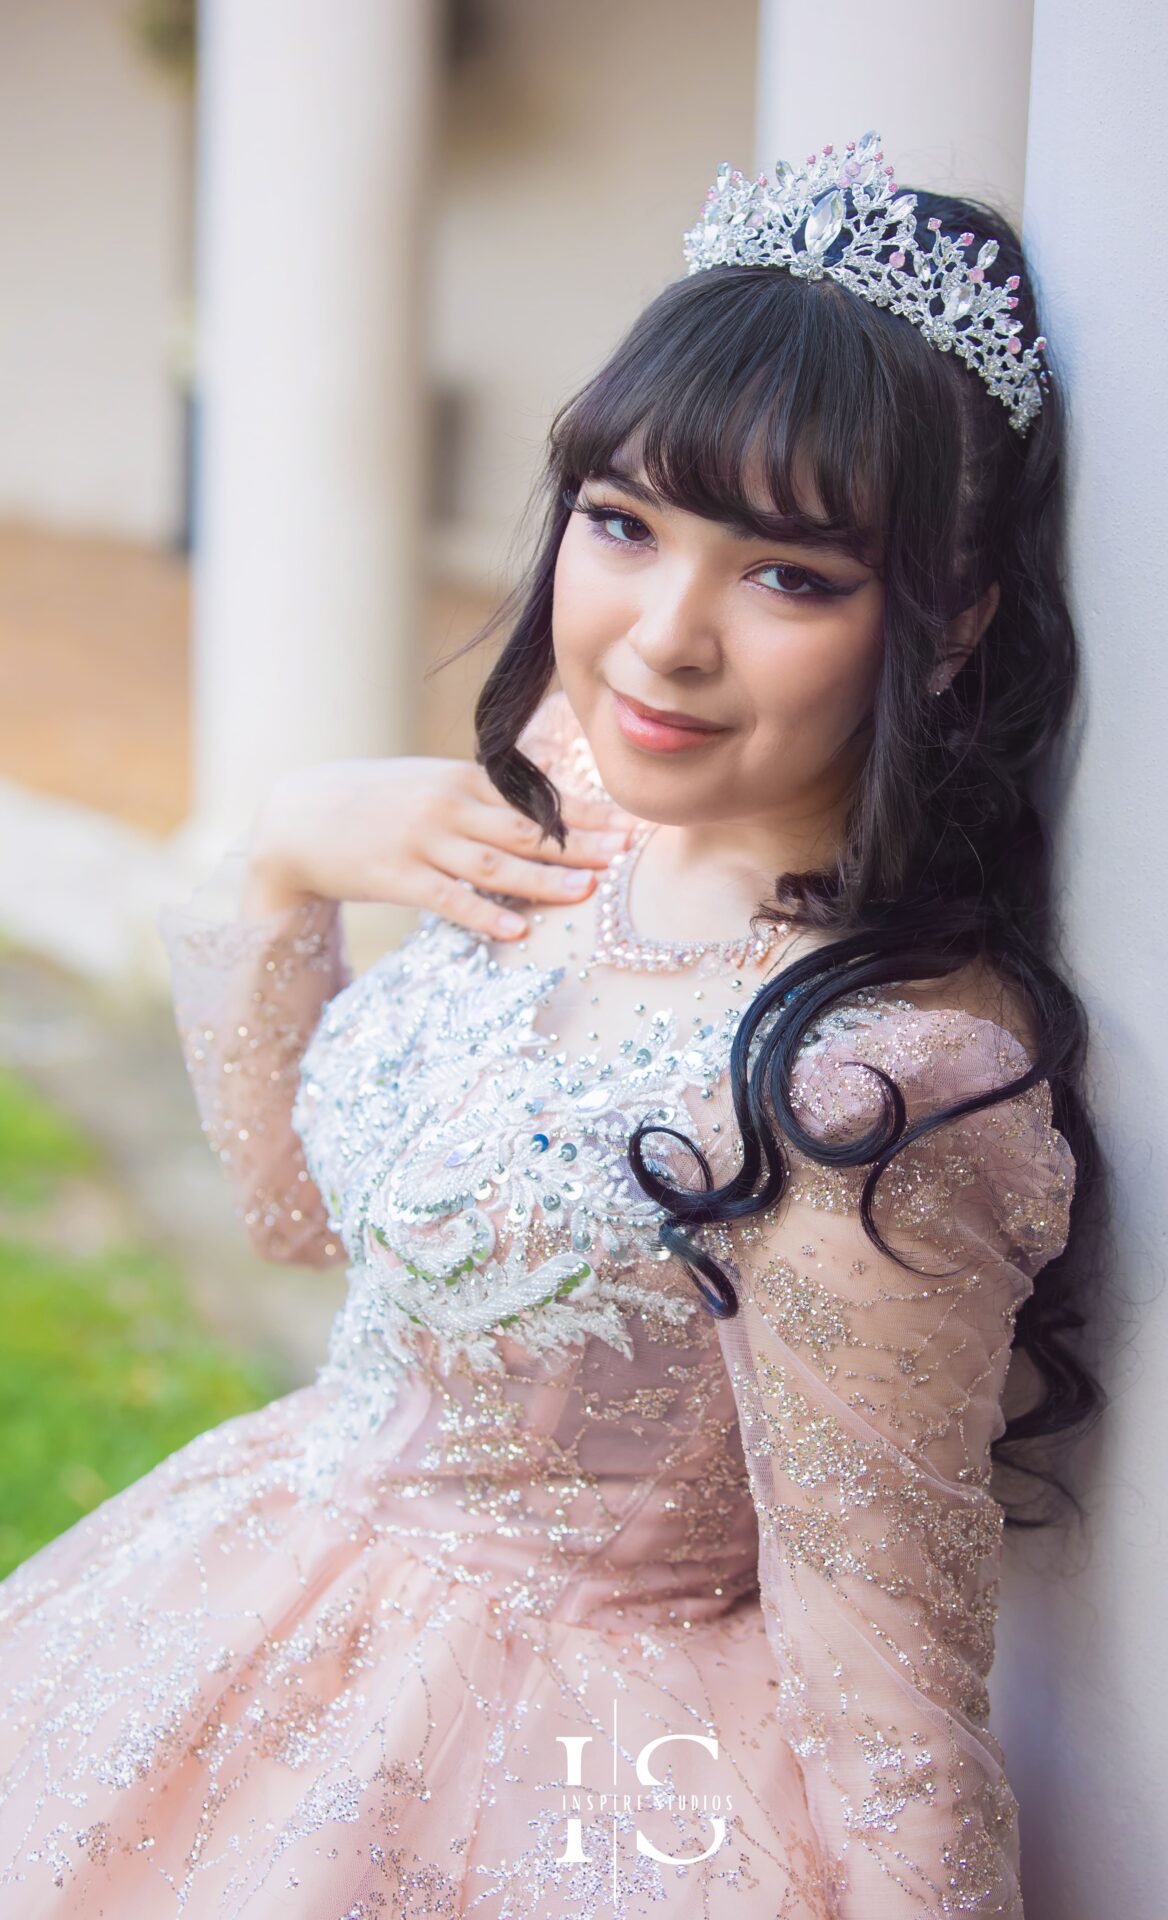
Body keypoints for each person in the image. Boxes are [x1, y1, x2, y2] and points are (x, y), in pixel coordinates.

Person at [0, 133, 1103, 1917]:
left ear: (951, 622)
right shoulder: (578, 804)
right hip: (267, 1593)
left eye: (789, 577)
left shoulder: (865, 1082)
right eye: (623, 526)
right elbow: (300, 1217)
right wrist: (279, 863)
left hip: (580, 1770)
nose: (663, 642)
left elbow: (885, 1691)